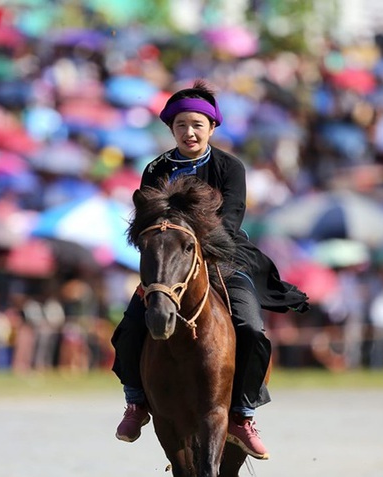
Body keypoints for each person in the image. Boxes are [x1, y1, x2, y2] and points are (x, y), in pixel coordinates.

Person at [111, 79, 309, 460]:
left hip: (223, 256)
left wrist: (194, 240)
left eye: (197, 125)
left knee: (251, 328)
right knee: (130, 327)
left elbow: (231, 220)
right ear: (171, 128)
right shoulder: (156, 169)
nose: (189, 131)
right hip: (168, 263)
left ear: (212, 128)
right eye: (182, 124)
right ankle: (136, 403)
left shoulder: (230, 167)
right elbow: (147, 219)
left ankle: (243, 414)